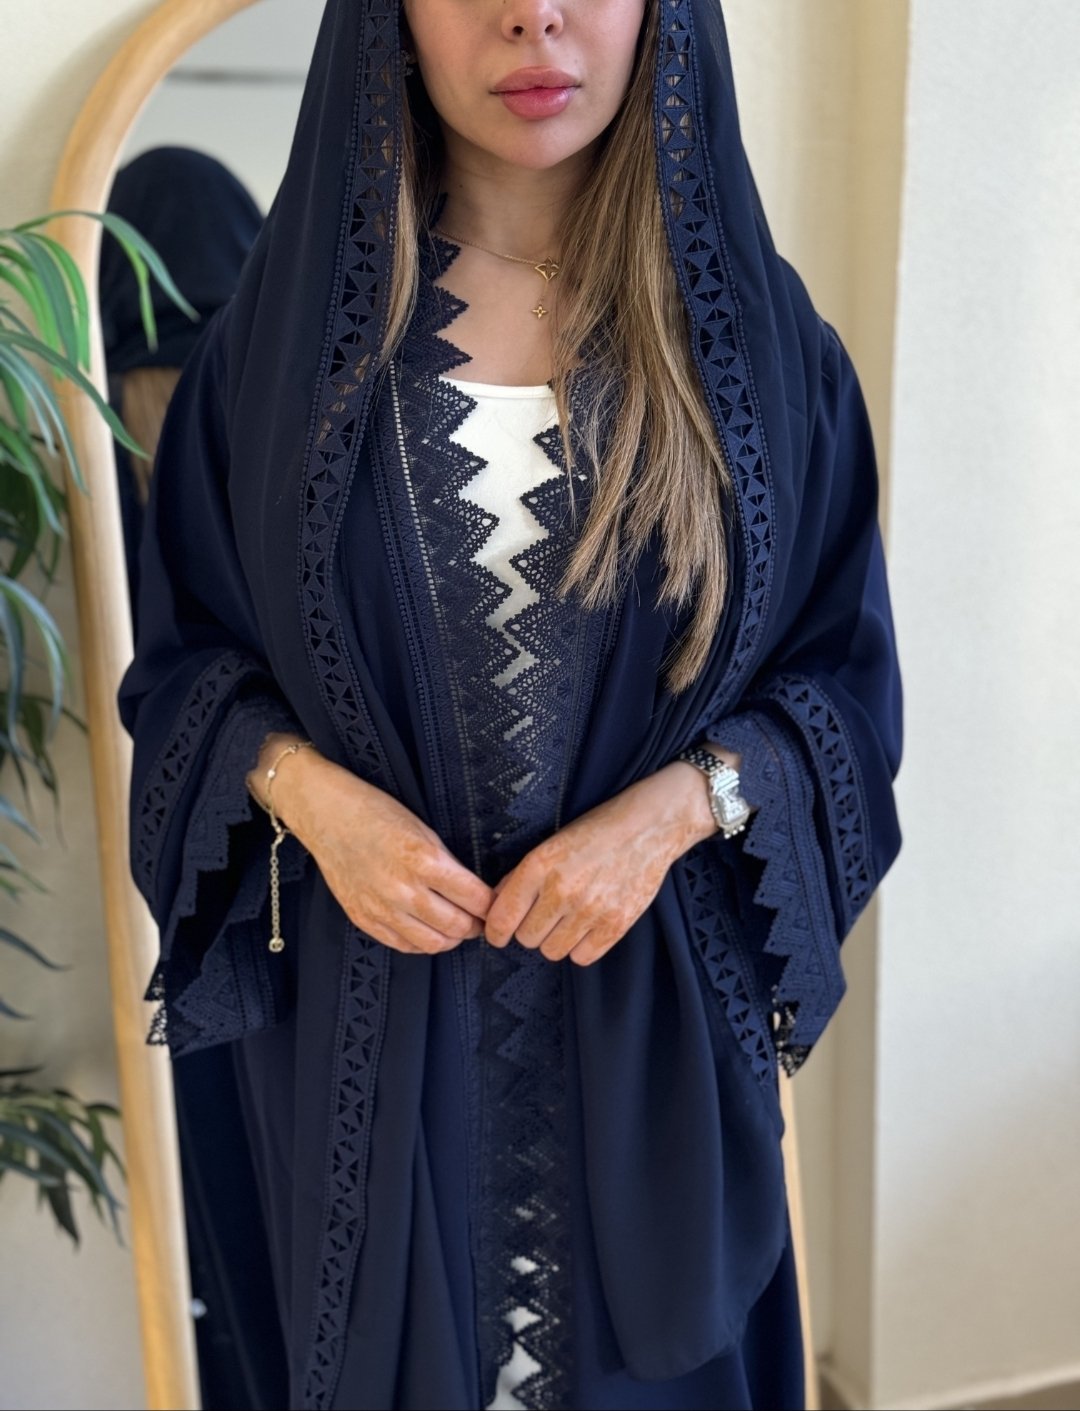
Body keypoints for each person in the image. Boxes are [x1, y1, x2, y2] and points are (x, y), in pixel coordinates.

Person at [118, 1, 903, 1407]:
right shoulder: (275, 358)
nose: (532, 15)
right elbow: (184, 669)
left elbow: (842, 692)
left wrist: (675, 813)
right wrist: (315, 798)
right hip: (364, 1044)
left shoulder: (767, 358)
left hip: (658, 1053)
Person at [101, 147, 289, 1409]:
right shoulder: (271, 432)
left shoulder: (118, 469)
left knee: (232, 1196)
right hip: (287, 885)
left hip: (205, 883)